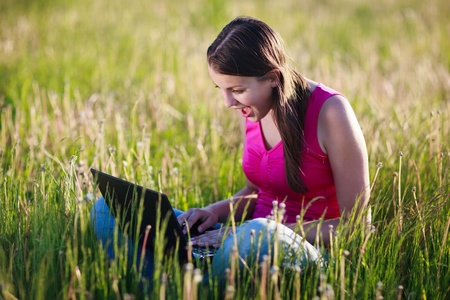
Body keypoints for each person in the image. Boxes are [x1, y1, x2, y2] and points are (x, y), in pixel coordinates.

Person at [176, 16, 370, 280]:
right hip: (246, 239)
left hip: (310, 251)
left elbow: (355, 227)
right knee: (109, 212)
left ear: (273, 78)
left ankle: (195, 282)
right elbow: (257, 194)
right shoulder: (255, 107)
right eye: (220, 89)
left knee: (259, 236)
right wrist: (213, 212)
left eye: (237, 89)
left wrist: (255, 232)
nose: (228, 102)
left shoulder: (332, 112)